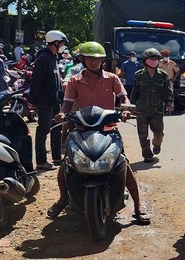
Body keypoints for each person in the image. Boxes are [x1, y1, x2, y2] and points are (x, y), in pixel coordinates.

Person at [47, 41, 150, 223]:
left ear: (103, 60)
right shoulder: (74, 81)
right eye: (90, 59)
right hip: (81, 128)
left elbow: (122, 96)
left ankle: (138, 204)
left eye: (98, 59)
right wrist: (63, 113)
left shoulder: (112, 78)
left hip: (108, 128)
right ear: (83, 60)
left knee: (122, 163)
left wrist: (125, 108)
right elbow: (67, 103)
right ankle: (63, 198)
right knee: (66, 166)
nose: (94, 63)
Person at [28, 30, 67, 170]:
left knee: (57, 128)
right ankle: (41, 161)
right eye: (61, 43)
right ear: (55, 42)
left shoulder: (53, 58)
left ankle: (57, 157)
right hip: (45, 100)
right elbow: (36, 81)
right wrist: (33, 100)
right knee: (43, 130)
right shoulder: (44, 58)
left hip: (55, 100)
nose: (63, 46)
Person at [130, 48, 174, 162]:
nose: (154, 61)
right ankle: (147, 154)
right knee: (143, 134)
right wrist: (131, 107)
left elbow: (168, 91)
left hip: (157, 110)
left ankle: (157, 144)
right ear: (145, 60)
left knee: (158, 133)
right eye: (151, 58)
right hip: (141, 109)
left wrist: (169, 103)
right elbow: (134, 91)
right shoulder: (138, 75)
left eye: (156, 59)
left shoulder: (163, 75)